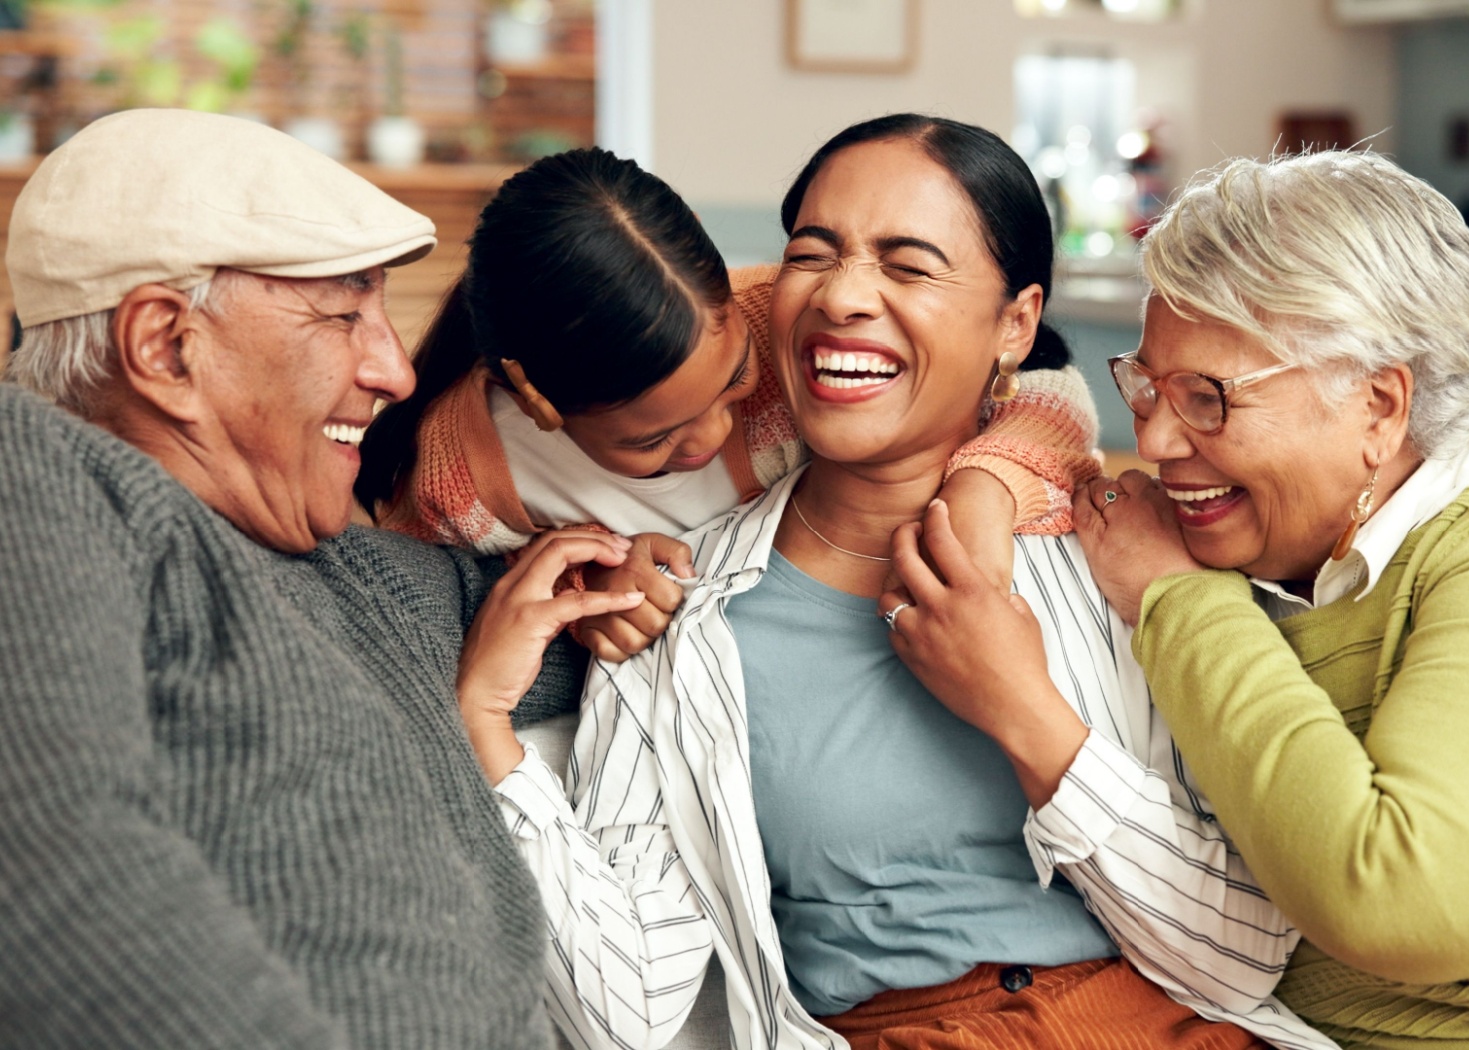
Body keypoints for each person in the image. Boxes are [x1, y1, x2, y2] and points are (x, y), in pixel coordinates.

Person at [455, 114, 1335, 1050]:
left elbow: (1239, 957)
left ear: (1016, 324)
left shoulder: (1126, 553)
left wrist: (1024, 710)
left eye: (908, 265)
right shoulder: (672, 614)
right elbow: (621, 1009)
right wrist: (480, 722)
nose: (843, 297)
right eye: (812, 254)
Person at [0, 109, 641, 1048]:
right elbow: (55, 867)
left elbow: (586, 619)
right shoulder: (37, 472)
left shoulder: (352, 564)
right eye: (345, 313)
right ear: (165, 348)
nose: (394, 372)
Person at [1067, 151, 1469, 1049]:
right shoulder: (1266, 535)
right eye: (1149, 386)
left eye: (1207, 397)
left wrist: (1181, 602)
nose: (1152, 438)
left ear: (1379, 407)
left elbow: (1406, 895)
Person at [354, 146, 1101, 668]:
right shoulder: (462, 478)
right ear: (538, 400)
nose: (713, 434)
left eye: (734, 378)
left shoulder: (791, 316)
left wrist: (988, 484)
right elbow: (468, 605)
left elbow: (1042, 378)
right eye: (654, 438)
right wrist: (588, 585)